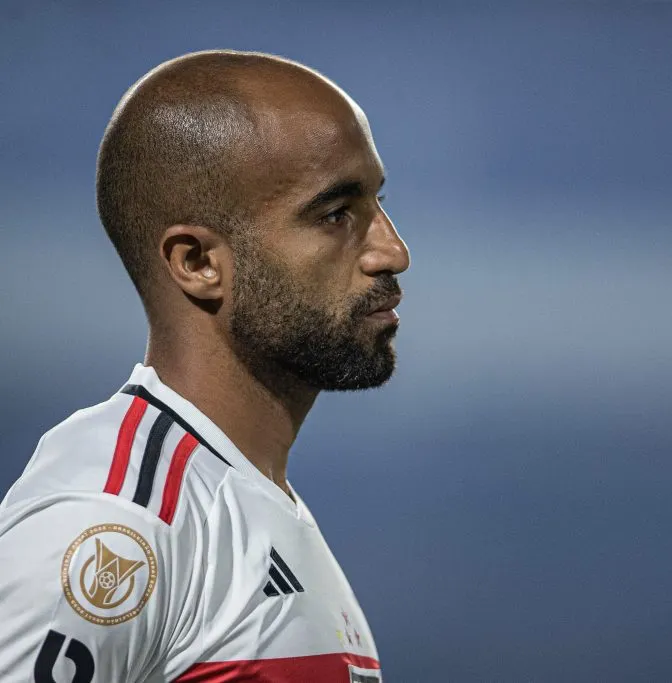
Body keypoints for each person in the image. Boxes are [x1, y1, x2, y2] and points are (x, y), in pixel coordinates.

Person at [0, 49, 409, 681]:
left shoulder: (248, 498)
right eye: (336, 215)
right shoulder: (114, 525)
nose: (393, 252)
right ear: (197, 263)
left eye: (378, 203)